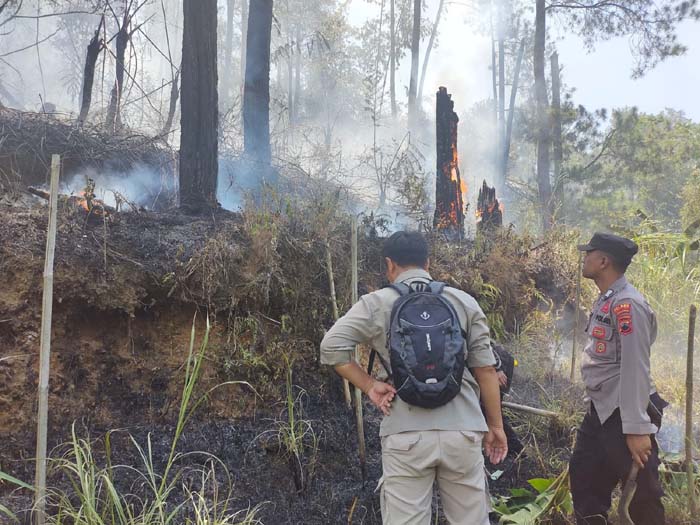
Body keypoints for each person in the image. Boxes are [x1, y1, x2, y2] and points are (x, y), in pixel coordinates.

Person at [320, 231, 507, 525]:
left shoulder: (376, 303)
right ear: (428, 262)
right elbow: (486, 371)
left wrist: (369, 385)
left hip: (405, 433)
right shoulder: (464, 302)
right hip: (463, 431)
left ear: (389, 265)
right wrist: (494, 426)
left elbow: (331, 348)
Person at [569, 232, 667, 525]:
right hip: (602, 407)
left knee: (642, 495)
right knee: (584, 476)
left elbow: (636, 366)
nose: (584, 258)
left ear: (603, 261)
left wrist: (636, 427)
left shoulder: (628, 305)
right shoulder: (608, 299)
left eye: (589, 253)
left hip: (625, 409)